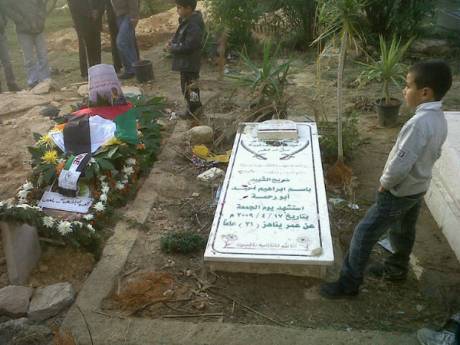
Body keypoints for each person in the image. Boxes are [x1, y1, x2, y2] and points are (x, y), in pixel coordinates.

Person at [320, 60, 453, 299]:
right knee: (404, 230)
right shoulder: (439, 119)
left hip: (399, 191)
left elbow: (401, 162)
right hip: (418, 187)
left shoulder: (418, 124)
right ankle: (396, 269)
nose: (404, 90)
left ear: (425, 93)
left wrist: (385, 183)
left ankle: (348, 283)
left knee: (364, 232)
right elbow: (435, 153)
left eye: (407, 86)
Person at [168, 0, 204, 118]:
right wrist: (173, 43)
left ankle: (194, 108)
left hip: (190, 63)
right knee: (187, 86)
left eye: (179, 8)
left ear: (188, 8)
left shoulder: (193, 25)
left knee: (191, 87)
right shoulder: (186, 21)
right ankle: (194, 106)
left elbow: (190, 45)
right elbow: (183, 39)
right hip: (187, 63)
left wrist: (173, 47)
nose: (177, 10)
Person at [67, 0, 122, 79]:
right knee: (85, 47)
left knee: (96, 45)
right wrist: (89, 13)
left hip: (96, 19)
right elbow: (73, 5)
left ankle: (97, 69)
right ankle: (86, 72)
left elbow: (102, 2)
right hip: (81, 21)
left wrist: (98, 11)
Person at [3, 0, 50, 88]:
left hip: (38, 27)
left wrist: (41, 17)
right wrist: (19, 19)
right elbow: (6, 7)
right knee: (29, 58)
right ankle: (33, 81)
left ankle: (46, 80)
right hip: (23, 30)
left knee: (43, 56)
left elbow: (42, 4)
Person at [110, 0, 139, 79]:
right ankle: (133, 69)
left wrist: (134, 15)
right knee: (129, 43)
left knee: (121, 42)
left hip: (128, 15)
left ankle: (132, 69)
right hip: (119, 16)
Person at [0, 5, 20, 93]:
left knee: (7, 61)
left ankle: (12, 84)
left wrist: (3, 23)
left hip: (1, 34)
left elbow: (4, 14)